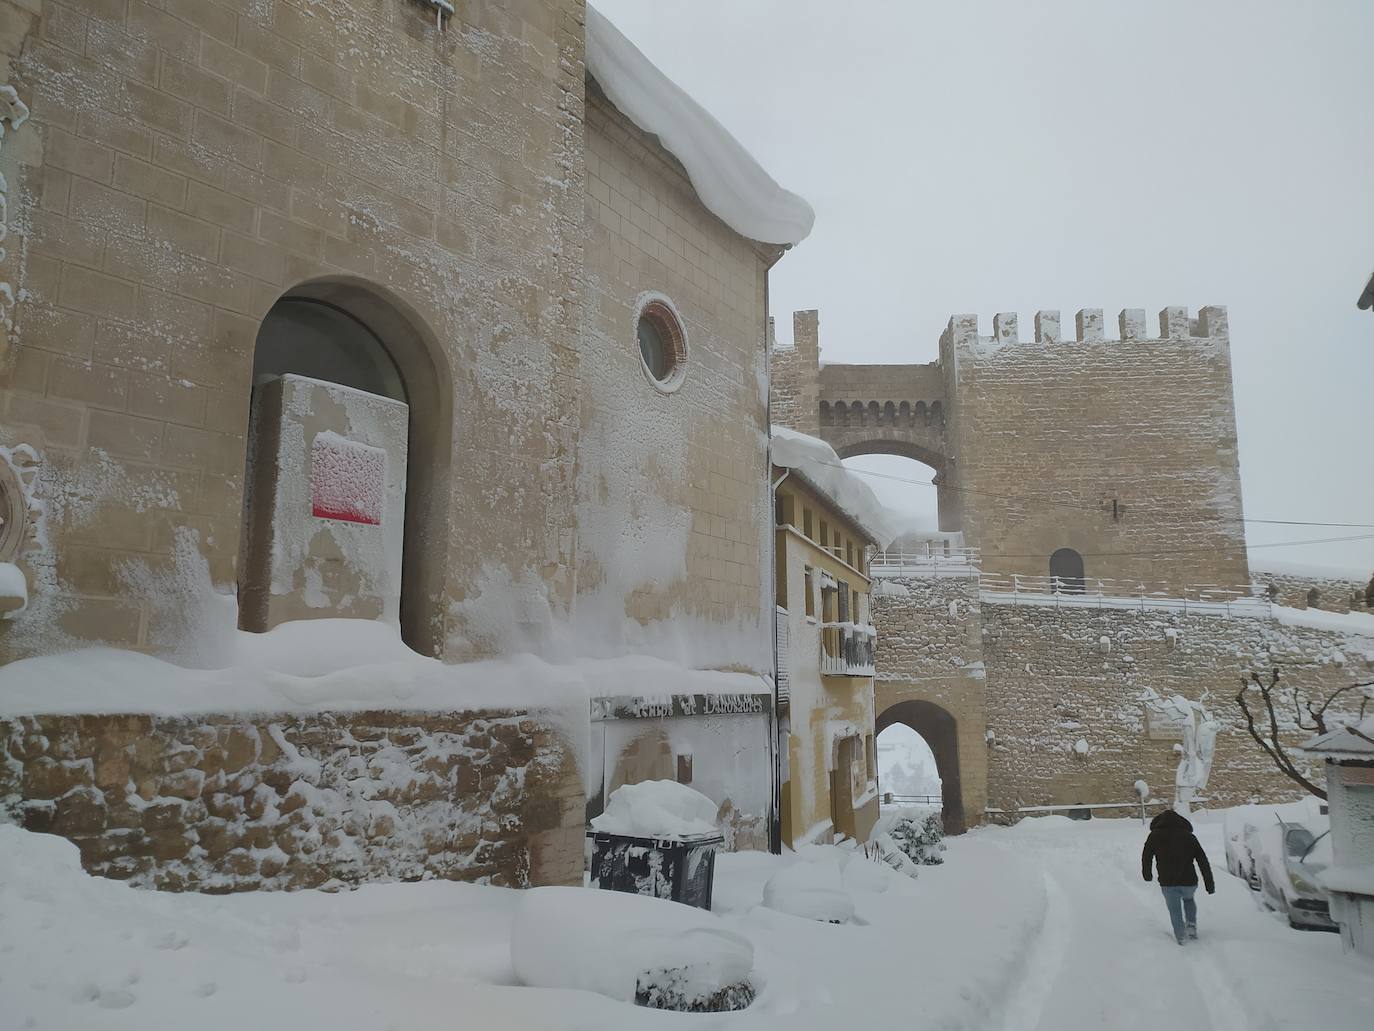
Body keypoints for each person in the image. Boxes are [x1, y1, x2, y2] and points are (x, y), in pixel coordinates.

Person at [1142, 809, 1215, 944]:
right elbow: (1202, 860)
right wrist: (1209, 883)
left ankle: (1180, 935)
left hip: (1167, 881)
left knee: (1174, 909)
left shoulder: (1154, 836)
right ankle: (1191, 926)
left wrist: (1147, 874)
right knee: (1188, 900)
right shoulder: (1189, 836)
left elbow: (1146, 857)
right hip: (1189, 880)